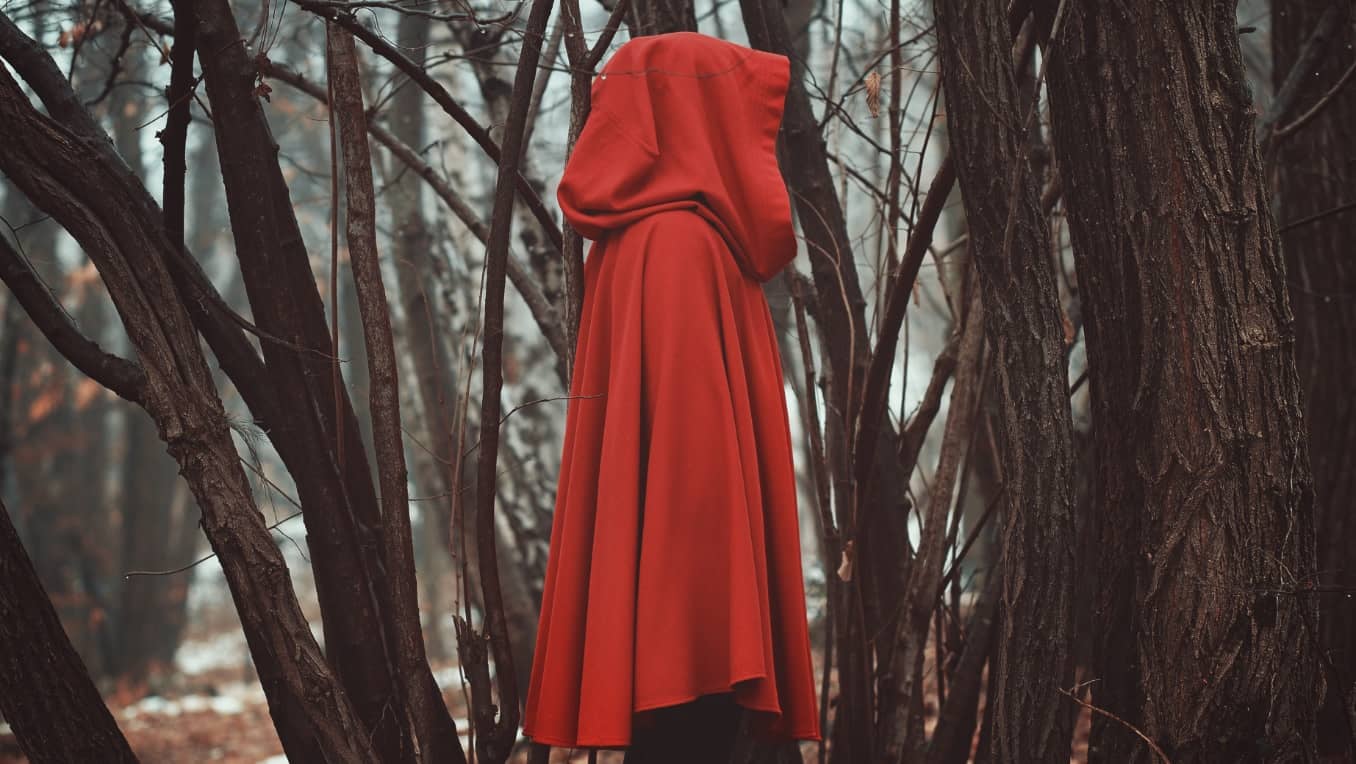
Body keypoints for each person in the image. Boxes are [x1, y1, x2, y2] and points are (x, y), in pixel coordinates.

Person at [523, 30, 821, 762]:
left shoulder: (643, 240)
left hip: (671, 603)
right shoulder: (679, 244)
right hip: (691, 616)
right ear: (690, 115)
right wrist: (711, 620)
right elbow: (691, 463)